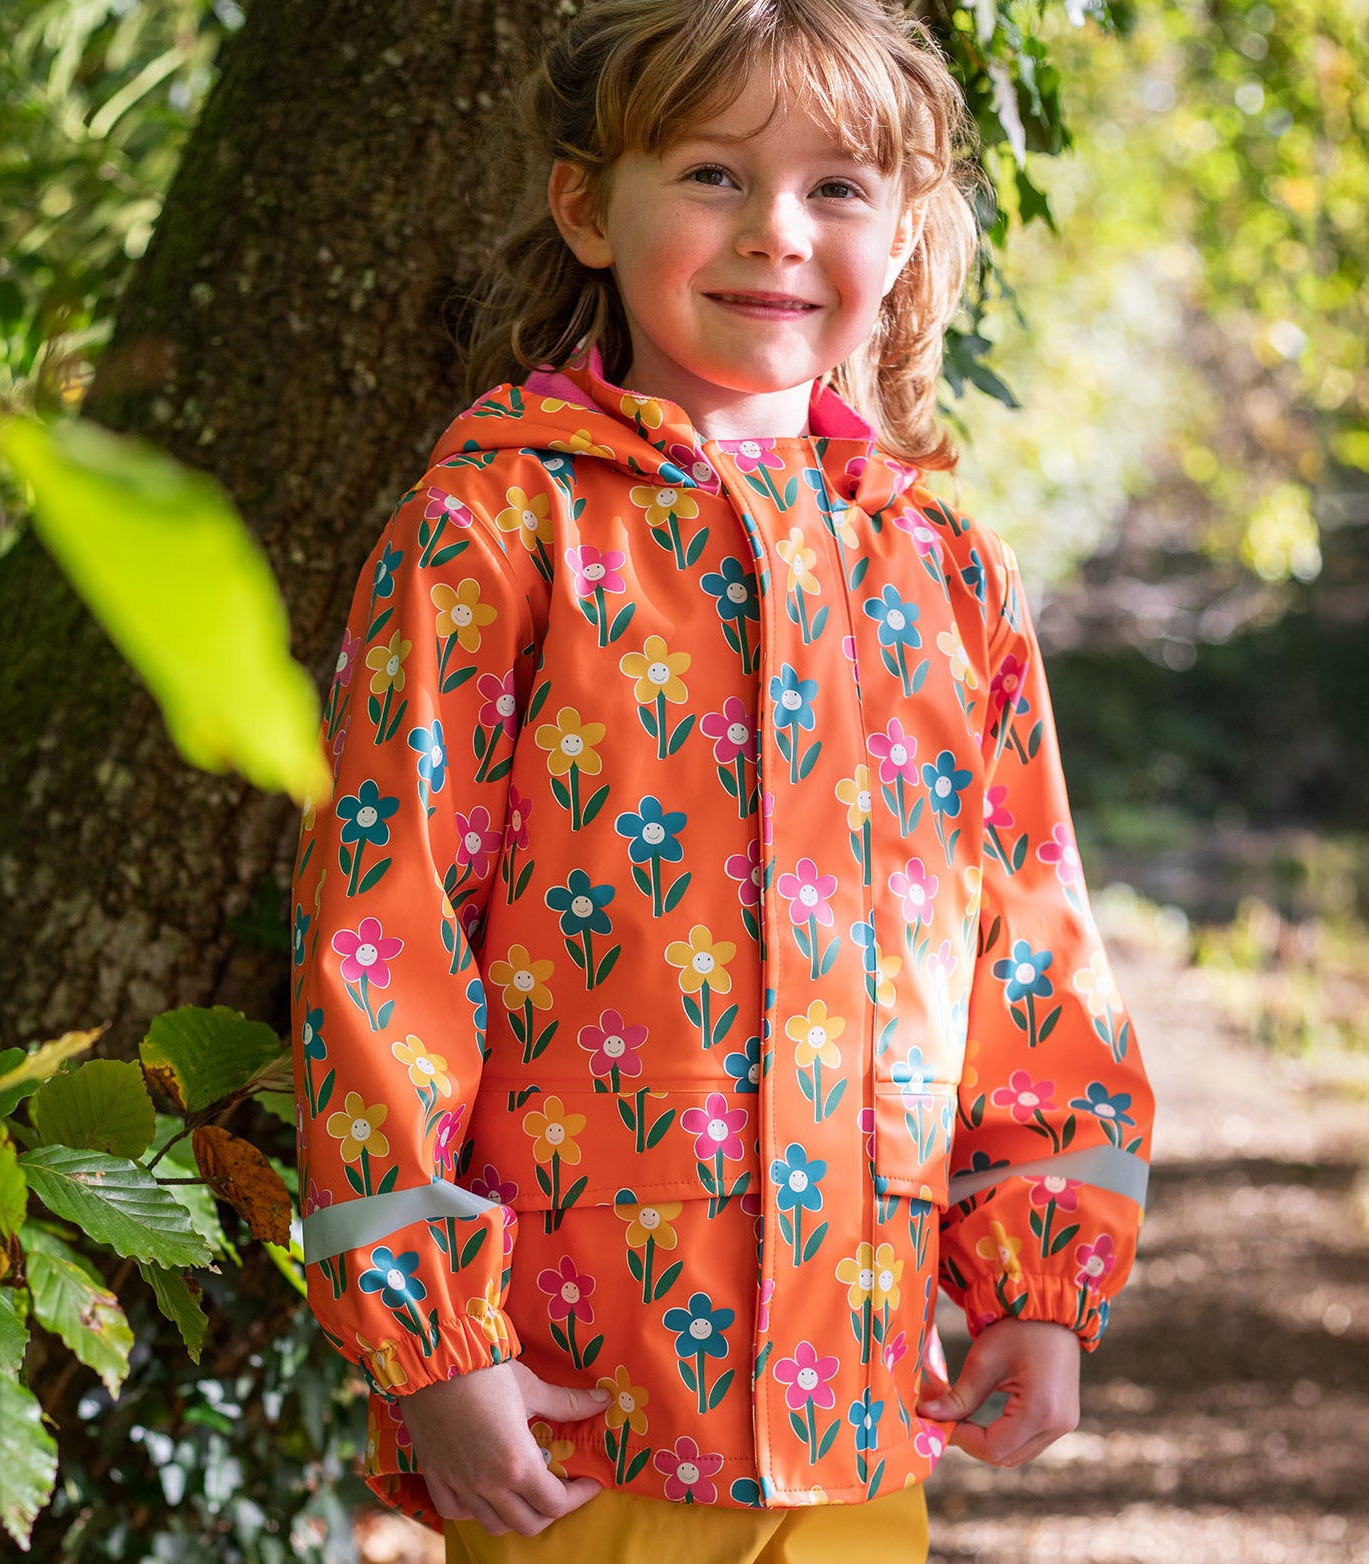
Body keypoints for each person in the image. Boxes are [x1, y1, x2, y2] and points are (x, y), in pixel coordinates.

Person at [290, 2, 1155, 1560]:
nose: (776, 232)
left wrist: (1039, 1283)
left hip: (862, 1410)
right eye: (709, 173)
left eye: (836, 187)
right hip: (579, 1405)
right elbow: (384, 934)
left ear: (903, 235)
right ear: (586, 206)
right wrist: (431, 1339)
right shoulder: (497, 533)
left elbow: (1030, 951)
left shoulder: (947, 573)